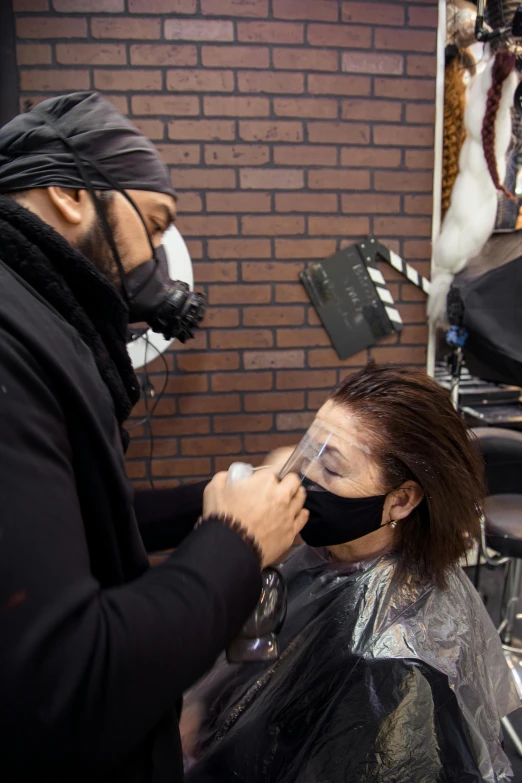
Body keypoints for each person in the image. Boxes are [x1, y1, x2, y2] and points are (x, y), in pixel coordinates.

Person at [0, 91, 308, 782]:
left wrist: (210, 506)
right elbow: (70, 683)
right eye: (156, 223)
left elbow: (80, 517)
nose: (160, 262)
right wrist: (236, 544)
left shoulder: (35, 321)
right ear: (70, 194)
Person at [182, 364, 521, 783]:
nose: (301, 474)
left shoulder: (392, 658)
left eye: (332, 468)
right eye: (309, 449)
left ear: (400, 501)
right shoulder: (318, 560)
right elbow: (254, 669)